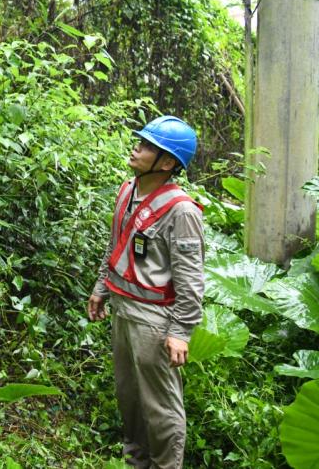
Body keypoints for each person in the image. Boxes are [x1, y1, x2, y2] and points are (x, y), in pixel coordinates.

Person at [86, 116, 205, 469]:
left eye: (150, 146)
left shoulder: (181, 210)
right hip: (123, 309)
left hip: (154, 319)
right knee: (130, 395)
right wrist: (100, 289)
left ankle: (166, 465)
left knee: (160, 404)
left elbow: (190, 278)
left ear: (168, 163)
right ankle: (137, 460)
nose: (138, 147)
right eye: (141, 141)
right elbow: (116, 246)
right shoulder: (128, 190)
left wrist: (180, 332)